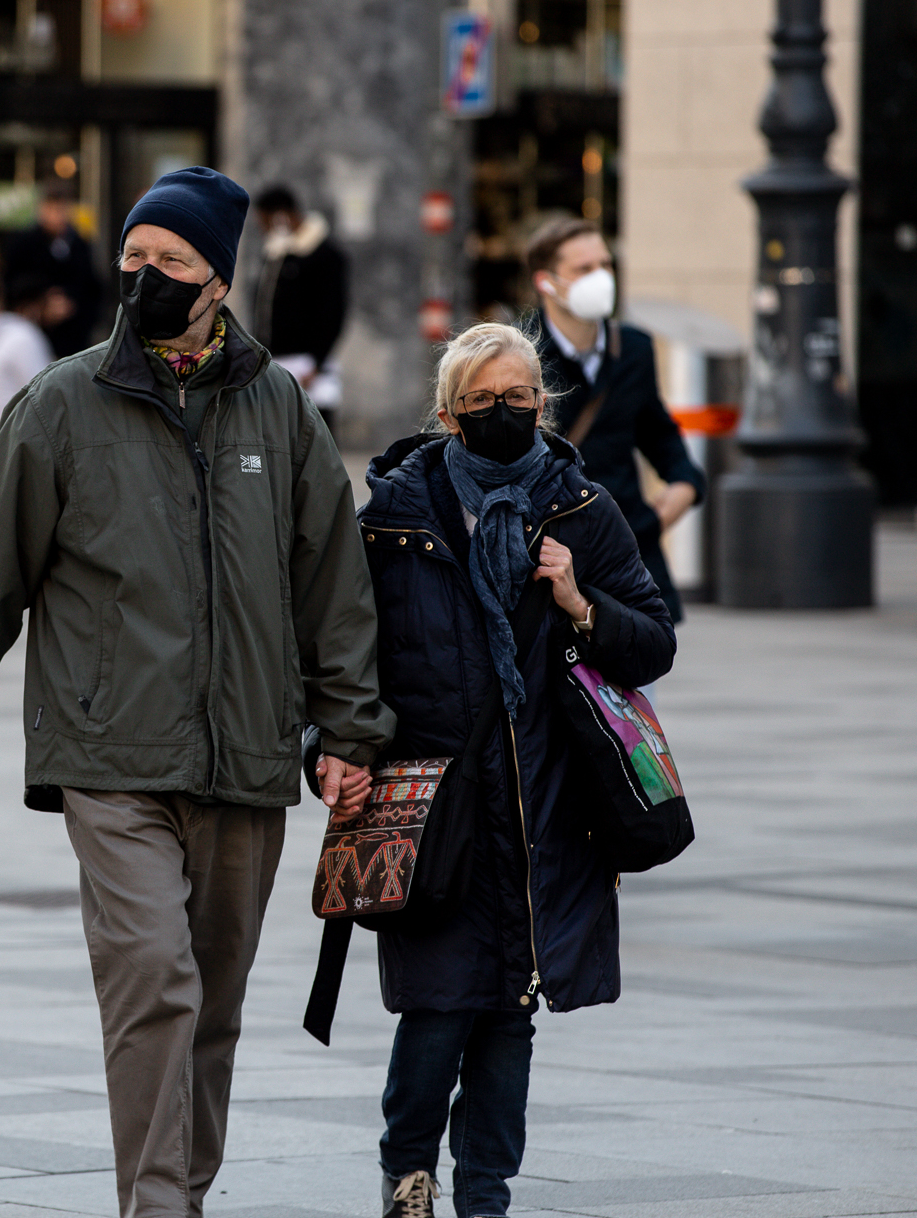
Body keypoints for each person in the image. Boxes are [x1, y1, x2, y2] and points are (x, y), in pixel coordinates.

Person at [0, 166, 395, 1218]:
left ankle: (184, 1190)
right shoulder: (60, 403)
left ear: (217, 280)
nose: (145, 277)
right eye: (132, 257)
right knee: (154, 985)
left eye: (169, 262)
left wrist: (347, 733)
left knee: (211, 1007)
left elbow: (334, 591)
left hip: (246, 757)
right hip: (110, 755)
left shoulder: (279, 409)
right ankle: (157, 1210)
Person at [358, 322, 676, 1218]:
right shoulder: (395, 515)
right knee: (436, 1007)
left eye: (520, 398)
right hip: (434, 807)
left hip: (546, 805)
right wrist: (330, 749)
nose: (504, 413)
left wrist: (578, 599)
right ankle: (407, 1167)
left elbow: (652, 643)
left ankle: (485, 1197)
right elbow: (340, 655)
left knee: (509, 1013)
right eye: (483, 402)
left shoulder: (583, 508)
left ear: (544, 401)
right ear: (450, 414)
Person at [517, 217, 704, 621]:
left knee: (639, 673)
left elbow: (656, 430)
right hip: (547, 558)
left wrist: (685, 484)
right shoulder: (517, 353)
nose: (601, 278)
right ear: (546, 282)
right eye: (584, 269)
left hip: (626, 550)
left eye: (605, 265)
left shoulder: (632, 348)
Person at [254, 185, 349, 430]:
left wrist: (317, 362)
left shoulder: (325, 255)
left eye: (266, 221)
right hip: (275, 358)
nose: (263, 228)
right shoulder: (277, 252)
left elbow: (333, 313)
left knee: (314, 430)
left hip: (308, 363)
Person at [4, 179, 104, 359]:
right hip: (32, 338)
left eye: (62, 209)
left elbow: (91, 287)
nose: (57, 216)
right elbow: (11, 285)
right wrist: (42, 302)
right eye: (52, 209)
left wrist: (71, 304)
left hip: (72, 341)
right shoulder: (23, 244)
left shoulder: (80, 245)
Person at [0, 272, 55, 460]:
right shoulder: (24, 336)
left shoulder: (4, 334)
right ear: (32, 307)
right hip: (8, 442)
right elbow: (45, 393)